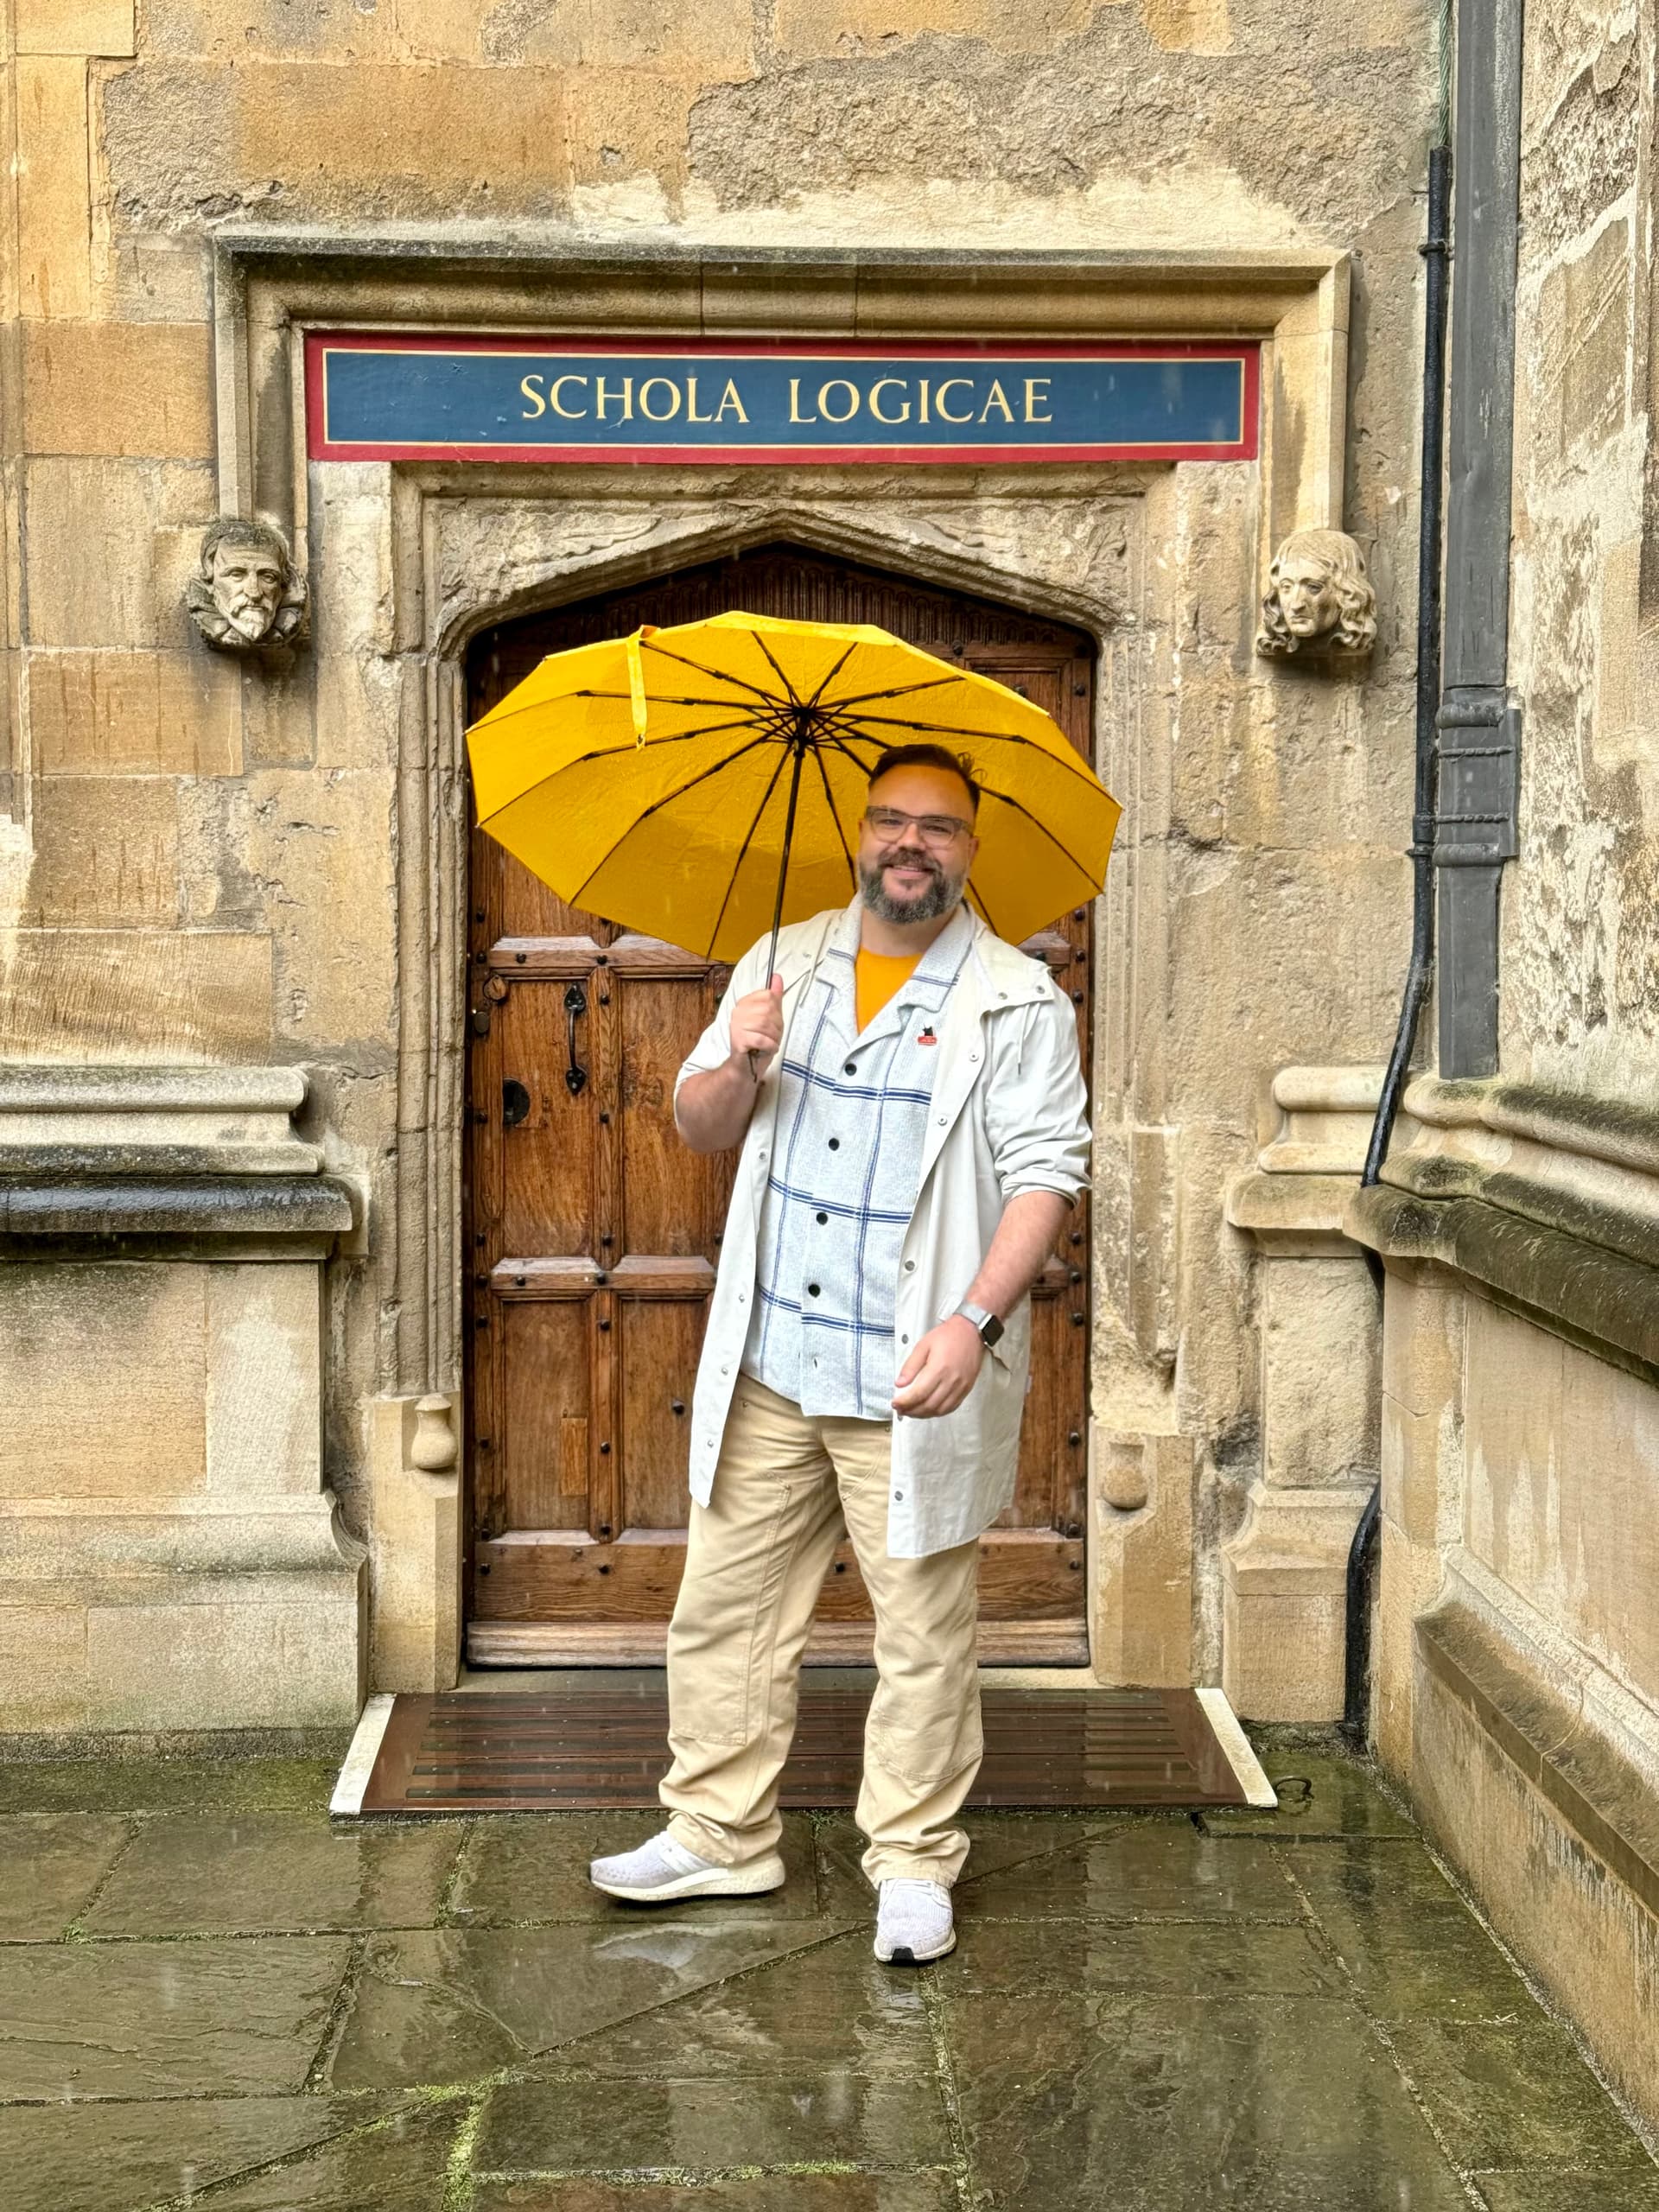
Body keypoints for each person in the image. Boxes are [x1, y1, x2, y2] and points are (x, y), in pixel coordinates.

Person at [588, 741, 1090, 1964]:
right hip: (774, 1360)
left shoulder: (1018, 999)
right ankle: (720, 1834)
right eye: (889, 821)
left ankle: (914, 1863)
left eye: (939, 827)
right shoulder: (780, 960)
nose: (909, 844)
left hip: (909, 1374)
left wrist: (974, 1323)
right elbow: (701, 1127)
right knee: (724, 1610)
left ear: (973, 851)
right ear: (858, 835)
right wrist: (737, 1057)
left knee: (921, 1630)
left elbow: (1046, 1179)